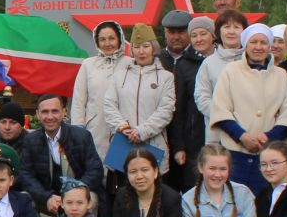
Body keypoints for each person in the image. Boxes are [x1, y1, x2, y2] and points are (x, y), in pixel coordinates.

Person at [208, 23, 287, 195]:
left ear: (269, 46)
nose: (258, 47)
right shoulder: (230, 71)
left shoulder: (280, 75)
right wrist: (242, 136)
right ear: (246, 45)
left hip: (269, 151)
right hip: (235, 150)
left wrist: (268, 137)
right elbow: (221, 109)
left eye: (263, 43)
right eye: (253, 42)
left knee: (264, 203)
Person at [16, 93, 104, 217]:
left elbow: (95, 170)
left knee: (91, 197)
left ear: (64, 112)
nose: (50, 117)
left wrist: (75, 191)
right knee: (23, 198)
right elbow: (26, 175)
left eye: (55, 111)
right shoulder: (30, 140)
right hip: (48, 194)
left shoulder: (82, 136)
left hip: (78, 192)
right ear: (38, 114)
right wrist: (46, 197)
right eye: (45, 112)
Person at [105, 24, 178, 180]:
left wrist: (142, 131)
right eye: (137, 47)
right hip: (123, 143)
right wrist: (123, 127)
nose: (141, 51)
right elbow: (109, 105)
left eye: (146, 46)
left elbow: (166, 110)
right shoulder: (119, 76)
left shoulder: (166, 77)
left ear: (154, 48)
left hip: (153, 144)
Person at [165, 14, 216, 189]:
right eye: (194, 35)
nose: (199, 39)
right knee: (194, 189)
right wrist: (179, 146)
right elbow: (178, 109)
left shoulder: (225, 62)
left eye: (203, 34)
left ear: (213, 35)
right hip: (193, 139)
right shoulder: (183, 65)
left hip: (221, 134)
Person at [70, 20, 128, 166]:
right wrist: (78, 131)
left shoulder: (130, 63)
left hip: (125, 127)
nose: (107, 43)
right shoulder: (88, 64)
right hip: (95, 128)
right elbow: (79, 101)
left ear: (120, 39)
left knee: (123, 167)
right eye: (102, 39)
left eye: (111, 38)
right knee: (96, 169)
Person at [193, 11, 248, 120]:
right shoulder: (208, 63)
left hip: (250, 128)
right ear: (218, 32)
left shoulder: (251, 60)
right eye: (227, 27)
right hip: (218, 129)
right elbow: (202, 97)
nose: (231, 32)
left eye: (236, 27)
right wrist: (225, 117)